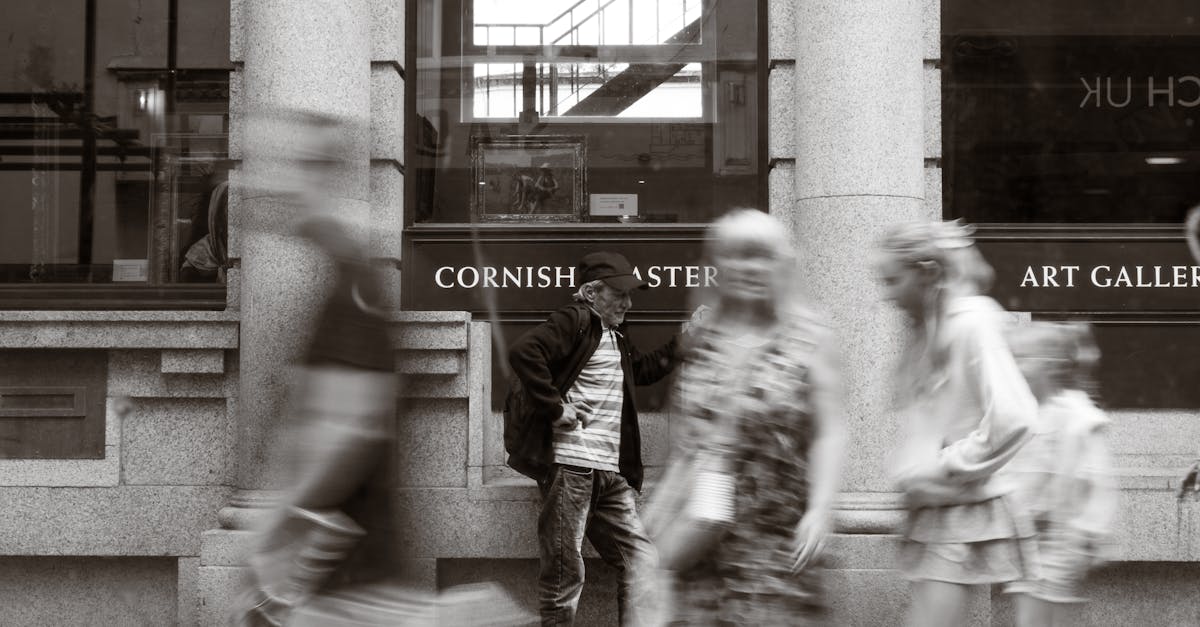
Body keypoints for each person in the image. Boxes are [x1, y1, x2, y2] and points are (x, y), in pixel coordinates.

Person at [642, 208, 846, 625]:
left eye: (761, 256)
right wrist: (652, 533)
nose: (748, 268)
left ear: (783, 264)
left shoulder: (808, 339)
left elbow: (830, 428)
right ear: (718, 264)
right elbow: (685, 449)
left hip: (775, 545)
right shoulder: (703, 341)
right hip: (700, 546)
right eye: (735, 255)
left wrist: (821, 508)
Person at [506, 251, 684, 626]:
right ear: (590, 293)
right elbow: (525, 351)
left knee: (643, 564)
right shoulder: (576, 320)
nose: (628, 302)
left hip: (610, 472)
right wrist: (556, 409)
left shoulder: (615, 335)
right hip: (573, 468)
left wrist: (683, 343)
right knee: (565, 575)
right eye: (619, 294)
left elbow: (643, 371)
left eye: (630, 294)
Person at [876, 220, 1039, 627]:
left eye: (893, 279)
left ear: (926, 272)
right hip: (940, 506)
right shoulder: (928, 330)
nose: (886, 293)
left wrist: (947, 463)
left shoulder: (971, 323)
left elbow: (1015, 416)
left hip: (962, 508)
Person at [1005, 322, 1117, 627]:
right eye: (1012, 357)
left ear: (1050, 367)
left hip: (1063, 541)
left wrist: (1089, 529)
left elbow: (1098, 479)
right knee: (1031, 615)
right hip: (1026, 541)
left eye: (1022, 358)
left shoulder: (1076, 417)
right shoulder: (1028, 415)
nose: (1014, 366)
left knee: (1044, 616)